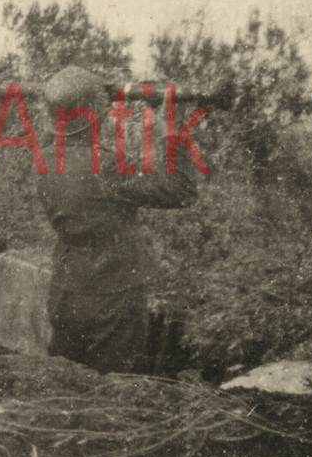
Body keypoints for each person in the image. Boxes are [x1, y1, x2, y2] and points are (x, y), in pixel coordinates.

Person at [36, 65, 198, 374]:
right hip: (111, 296)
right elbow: (183, 190)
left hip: (66, 289)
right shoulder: (108, 166)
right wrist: (167, 126)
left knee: (65, 383)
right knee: (114, 390)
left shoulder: (44, 156)